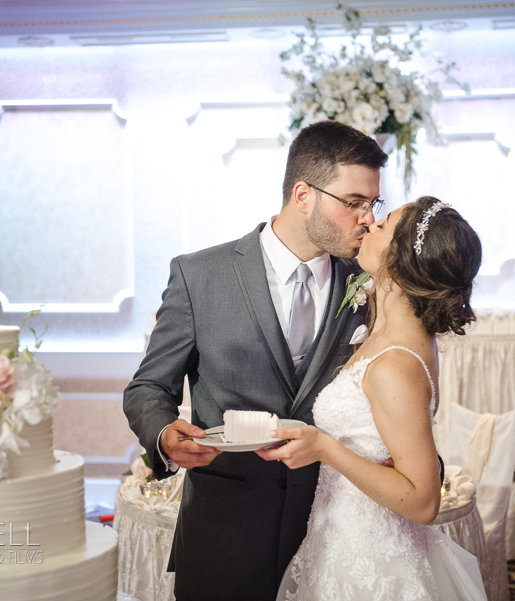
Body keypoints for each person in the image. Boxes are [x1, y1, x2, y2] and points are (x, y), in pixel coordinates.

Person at [123, 120, 388, 600]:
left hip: (331, 526)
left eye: (373, 204)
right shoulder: (199, 275)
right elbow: (148, 388)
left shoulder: (369, 282)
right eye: (354, 203)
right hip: (224, 529)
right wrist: (163, 434)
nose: (368, 218)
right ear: (303, 194)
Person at [257, 197, 488, 600]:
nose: (370, 223)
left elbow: (423, 501)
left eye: (383, 225)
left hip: (372, 556)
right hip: (340, 535)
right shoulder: (389, 331)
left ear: (397, 267)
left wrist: (326, 448)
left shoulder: (393, 365)